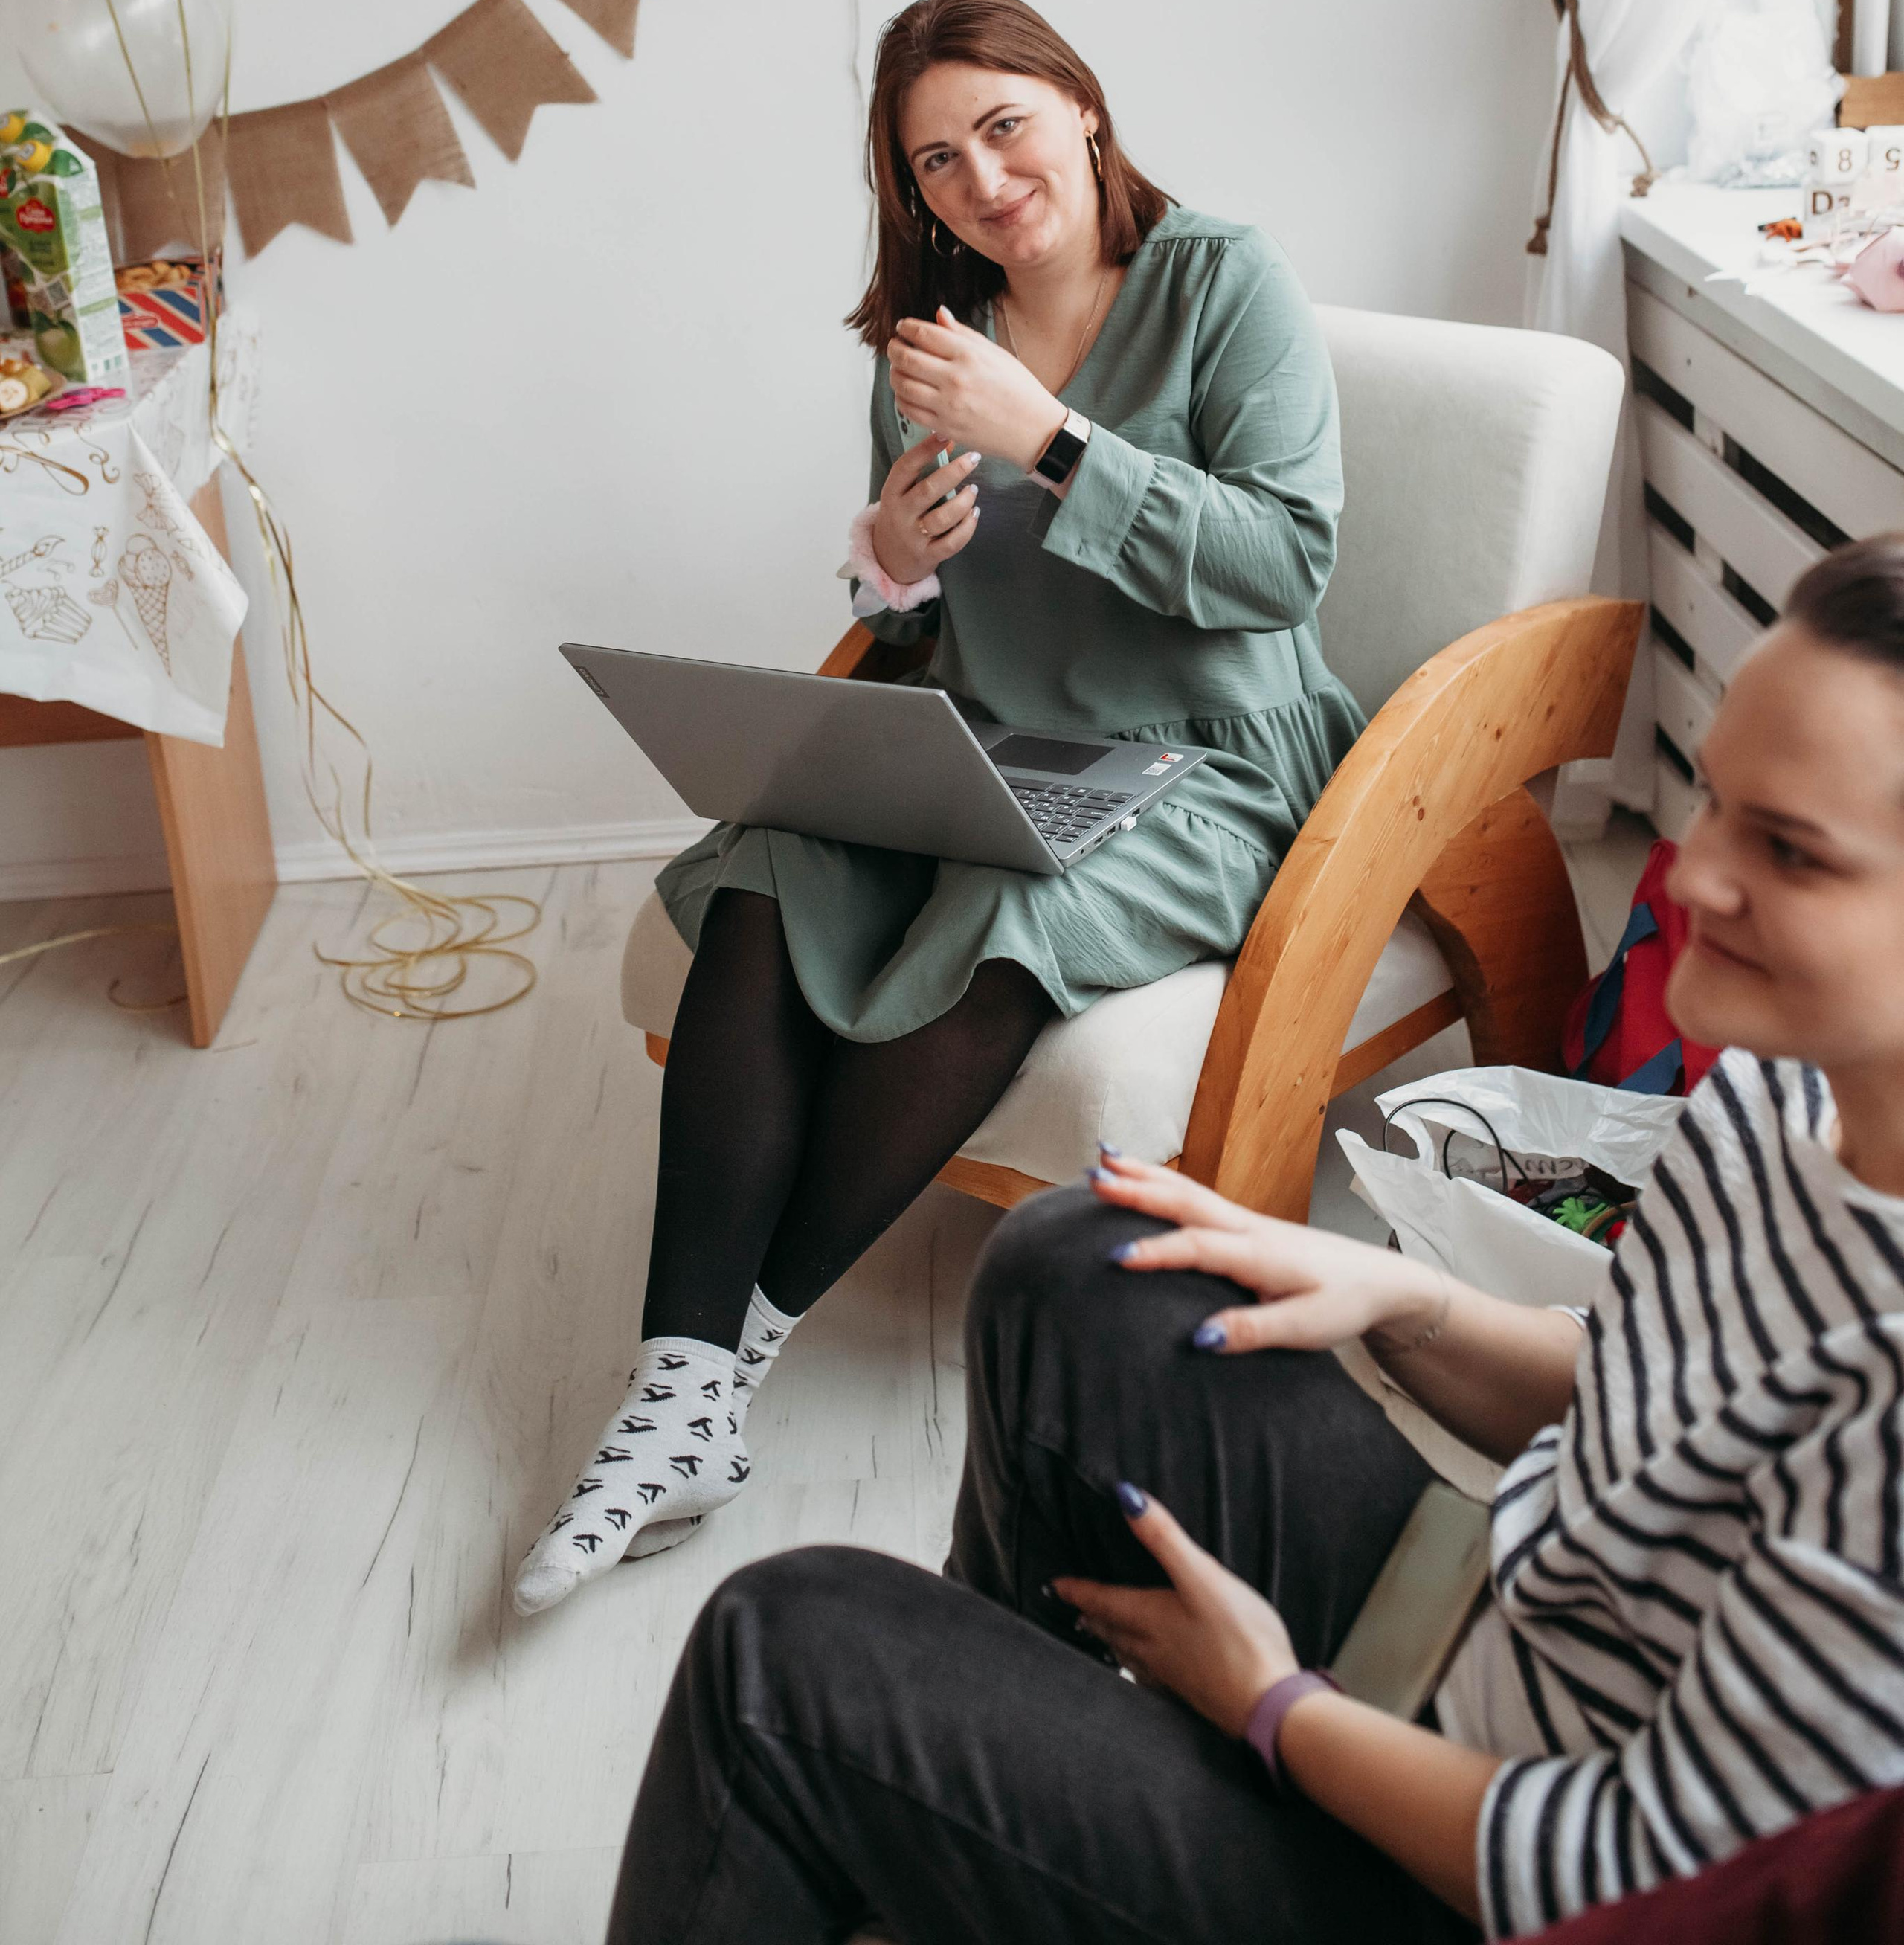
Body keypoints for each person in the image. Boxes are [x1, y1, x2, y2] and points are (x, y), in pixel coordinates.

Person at [602, 530, 1904, 1941]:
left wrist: (1276, 1707)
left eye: (1791, 853)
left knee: (783, 1657)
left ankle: (915, 1806)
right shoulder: (1779, 1101)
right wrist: (1397, 1294)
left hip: (1501, 1874)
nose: (1690, 875)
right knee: (1081, 1264)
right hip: (1517, 1629)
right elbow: (1659, 1393)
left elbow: (1631, 1883)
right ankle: (956, 1847)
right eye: (1712, 799)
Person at [514, 0, 1364, 1614]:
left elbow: (1284, 560)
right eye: (934, 160)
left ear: (1079, 108)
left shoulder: (1222, 284)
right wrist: (891, 565)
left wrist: (1050, 440)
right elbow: (915, 612)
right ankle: (676, 1394)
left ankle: (727, 1362)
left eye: (1002, 124)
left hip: (1206, 758)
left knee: (1010, 902)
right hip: (990, 730)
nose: (979, 178)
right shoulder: (927, 346)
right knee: (763, 860)